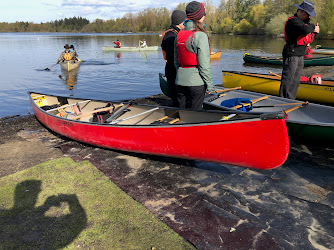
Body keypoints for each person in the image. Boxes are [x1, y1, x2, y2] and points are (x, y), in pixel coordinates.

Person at [174, 1, 214, 110]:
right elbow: (204, 65)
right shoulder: (200, 36)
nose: (204, 16)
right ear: (200, 17)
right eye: (204, 14)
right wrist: (210, 86)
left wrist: (181, 74)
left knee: (182, 113)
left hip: (179, 81)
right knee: (194, 115)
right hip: (196, 83)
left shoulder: (179, 35)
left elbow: (176, 62)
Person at [279, 0, 319, 99]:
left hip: (300, 55)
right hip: (291, 55)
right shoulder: (293, 21)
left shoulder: (303, 23)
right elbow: (306, 30)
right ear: (301, 11)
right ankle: (282, 100)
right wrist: (313, 27)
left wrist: (315, 33)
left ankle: (291, 100)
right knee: (288, 79)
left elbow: (308, 37)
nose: (308, 17)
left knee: (296, 81)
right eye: (307, 14)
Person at [161, 10, 187, 107]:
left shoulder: (171, 33)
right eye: (185, 21)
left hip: (171, 70)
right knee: (177, 99)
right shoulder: (172, 36)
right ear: (180, 22)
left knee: (177, 98)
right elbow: (173, 58)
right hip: (173, 71)